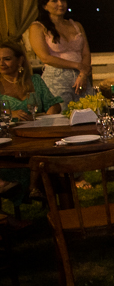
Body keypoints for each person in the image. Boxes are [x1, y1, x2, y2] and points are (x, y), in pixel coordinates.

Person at [0, 38, 63, 201]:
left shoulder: (35, 81)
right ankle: (31, 186)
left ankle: (36, 188)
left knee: (48, 152)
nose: (1, 63)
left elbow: (54, 105)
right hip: (9, 140)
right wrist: (11, 113)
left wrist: (47, 117)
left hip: (35, 136)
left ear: (20, 60)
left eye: (7, 59)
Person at [27, 0, 94, 106]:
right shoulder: (38, 27)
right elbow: (45, 57)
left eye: (63, 0)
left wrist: (83, 74)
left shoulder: (76, 25)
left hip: (81, 75)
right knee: (62, 113)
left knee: (90, 110)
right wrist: (77, 65)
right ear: (44, 6)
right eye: (54, 0)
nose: (60, 4)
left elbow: (86, 53)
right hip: (56, 77)